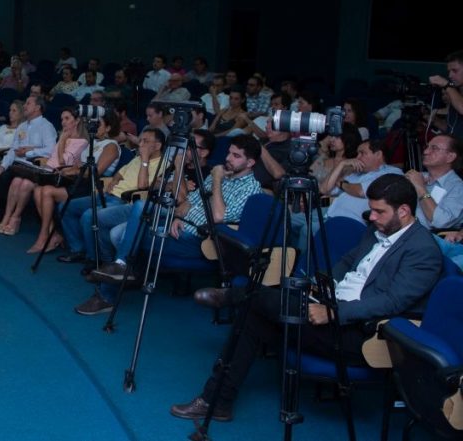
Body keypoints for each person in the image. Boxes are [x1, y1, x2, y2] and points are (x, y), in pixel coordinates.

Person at [171, 173, 443, 422]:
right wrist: (319, 287)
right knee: (253, 316)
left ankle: (235, 297)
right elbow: (348, 261)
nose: (371, 217)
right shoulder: (380, 229)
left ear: (404, 211)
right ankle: (216, 399)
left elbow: (392, 302)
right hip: (326, 306)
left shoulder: (423, 251)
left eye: (379, 211)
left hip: (358, 332)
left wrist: (334, 312)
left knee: (254, 304)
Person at [78, 135, 263, 315]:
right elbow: (189, 201)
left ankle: (110, 289)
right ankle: (124, 271)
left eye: (236, 156)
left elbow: (217, 216)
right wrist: (178, 217)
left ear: (250, 163)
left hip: (200, 240)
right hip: (180, 226)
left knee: (134, 218)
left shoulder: (250, 189)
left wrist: (216, 179)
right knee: (123, 228)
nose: (228, 159)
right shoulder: (224, 174)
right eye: (229, 153)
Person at [57, 127, 161, 263]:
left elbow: (143, 186)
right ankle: (78, 249)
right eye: (140, 141)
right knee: (66, 207)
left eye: (145, 142)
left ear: (158, 146)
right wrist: (115, 180)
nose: (140, 145)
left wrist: (145, 160)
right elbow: (120, 173)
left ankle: (94, 259)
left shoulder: (161, 163)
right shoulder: (137, 159)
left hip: (125, 201)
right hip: (108, 194)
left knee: (89, 215)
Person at [28, 111, 120, 254]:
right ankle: (53, 234)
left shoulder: (111, 146)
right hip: (77, 181)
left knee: (46, 191)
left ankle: (44, 236)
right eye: (92, 123)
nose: (93, 127)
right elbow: (77, 165)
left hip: (92, 186)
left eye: (98, 124)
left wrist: (75, 170)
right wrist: (69, 170)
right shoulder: (92, 142)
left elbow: (97, 171)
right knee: (38, 189)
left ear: (108, 128)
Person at [0, 106, 85, 238]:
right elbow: (51, 157)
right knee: (17, 180)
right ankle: (7, 216)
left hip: (57, 176)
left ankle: (16, 218)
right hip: (46, 170)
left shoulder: (81, 142)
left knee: (26, 184)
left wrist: (61, 141)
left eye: (67, 119)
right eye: (62, 119)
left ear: (77, 121)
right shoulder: (63, 137)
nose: (63, 122)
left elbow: (62, 163)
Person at [403, 134, 463, 230]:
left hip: (430, 240)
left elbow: (441, 222)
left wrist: (420, 188)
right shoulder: (417, 176)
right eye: (427, 147)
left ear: (450, 157)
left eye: (434, 148)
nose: (425, 152)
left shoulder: (457, 187)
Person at [427, 50, 463, 139]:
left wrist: (447, 85)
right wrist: (434, 120)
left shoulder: (452, 91)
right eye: (449, 71)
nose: (450, 75)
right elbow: (451, 128)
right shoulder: (455, 93)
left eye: (455, 70)